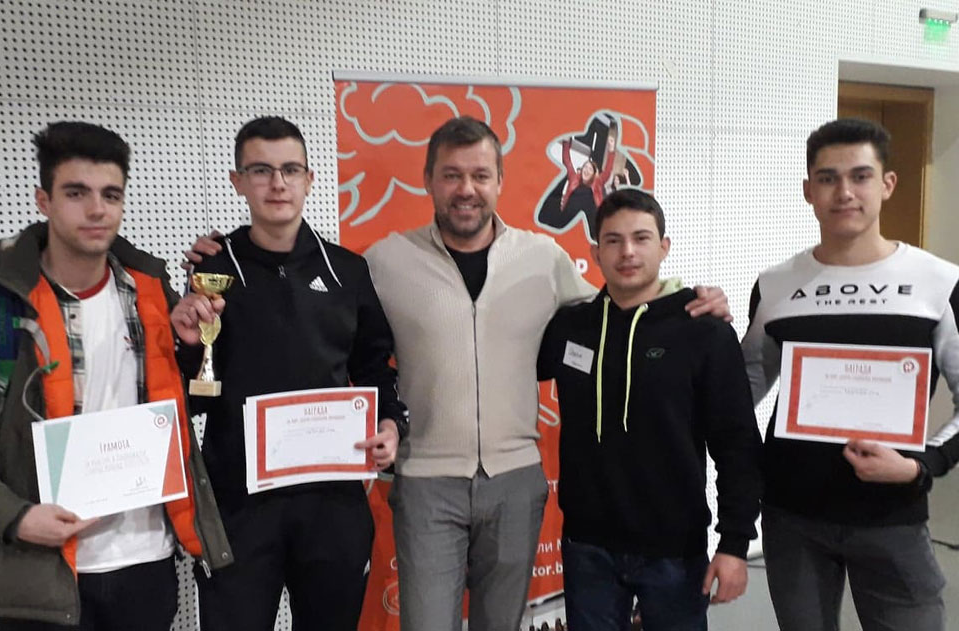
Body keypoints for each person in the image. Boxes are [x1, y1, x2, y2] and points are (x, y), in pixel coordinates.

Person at [361, 116, 734, 631]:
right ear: (428, 180)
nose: (466, 189)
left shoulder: (541, 257)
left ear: (499, 181)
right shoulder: (385, 262)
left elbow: (618, 310)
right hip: (425, 478)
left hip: (515, 480)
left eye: (480, 175)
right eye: (451, 175)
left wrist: (687, 297)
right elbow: (356, 351)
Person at [0, 121, 232, 630]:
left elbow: (180, 413)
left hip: (147, 565)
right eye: (76, 193)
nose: (96, 209)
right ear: (44, 201)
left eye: (111, 194)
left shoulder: (151, 293)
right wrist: (16, 518)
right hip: (42, 573)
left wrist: (192, 353)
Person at [170, 116, 408, 631]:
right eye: (261, 170)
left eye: (290, 170)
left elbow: (374, 366)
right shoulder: (212, 270)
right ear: (238, 181)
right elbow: (198, 395)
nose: (277, 183)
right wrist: (186, 348)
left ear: (309, 179)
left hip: (332, 502)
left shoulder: (347, 270)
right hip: (239, 505)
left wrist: (390, 424)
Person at [742, 117, 959, 631]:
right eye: (828, 178)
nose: (844, 192)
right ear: (808, 191)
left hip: (892, 517)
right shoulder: (775, 286)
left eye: (861, 176)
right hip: (792, 517)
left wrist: (921, 466)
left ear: (887, 184)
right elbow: (741, 389)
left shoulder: (939, 283)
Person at [538, 188, 762, 631]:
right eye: (613, 240)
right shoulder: (570, 327)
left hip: (675, 550)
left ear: (664, 247)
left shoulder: (703, 332)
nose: (627, 252)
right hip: (587, 547)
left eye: (641, 238)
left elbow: (737, 445)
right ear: (595, 253)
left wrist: (735, 544)